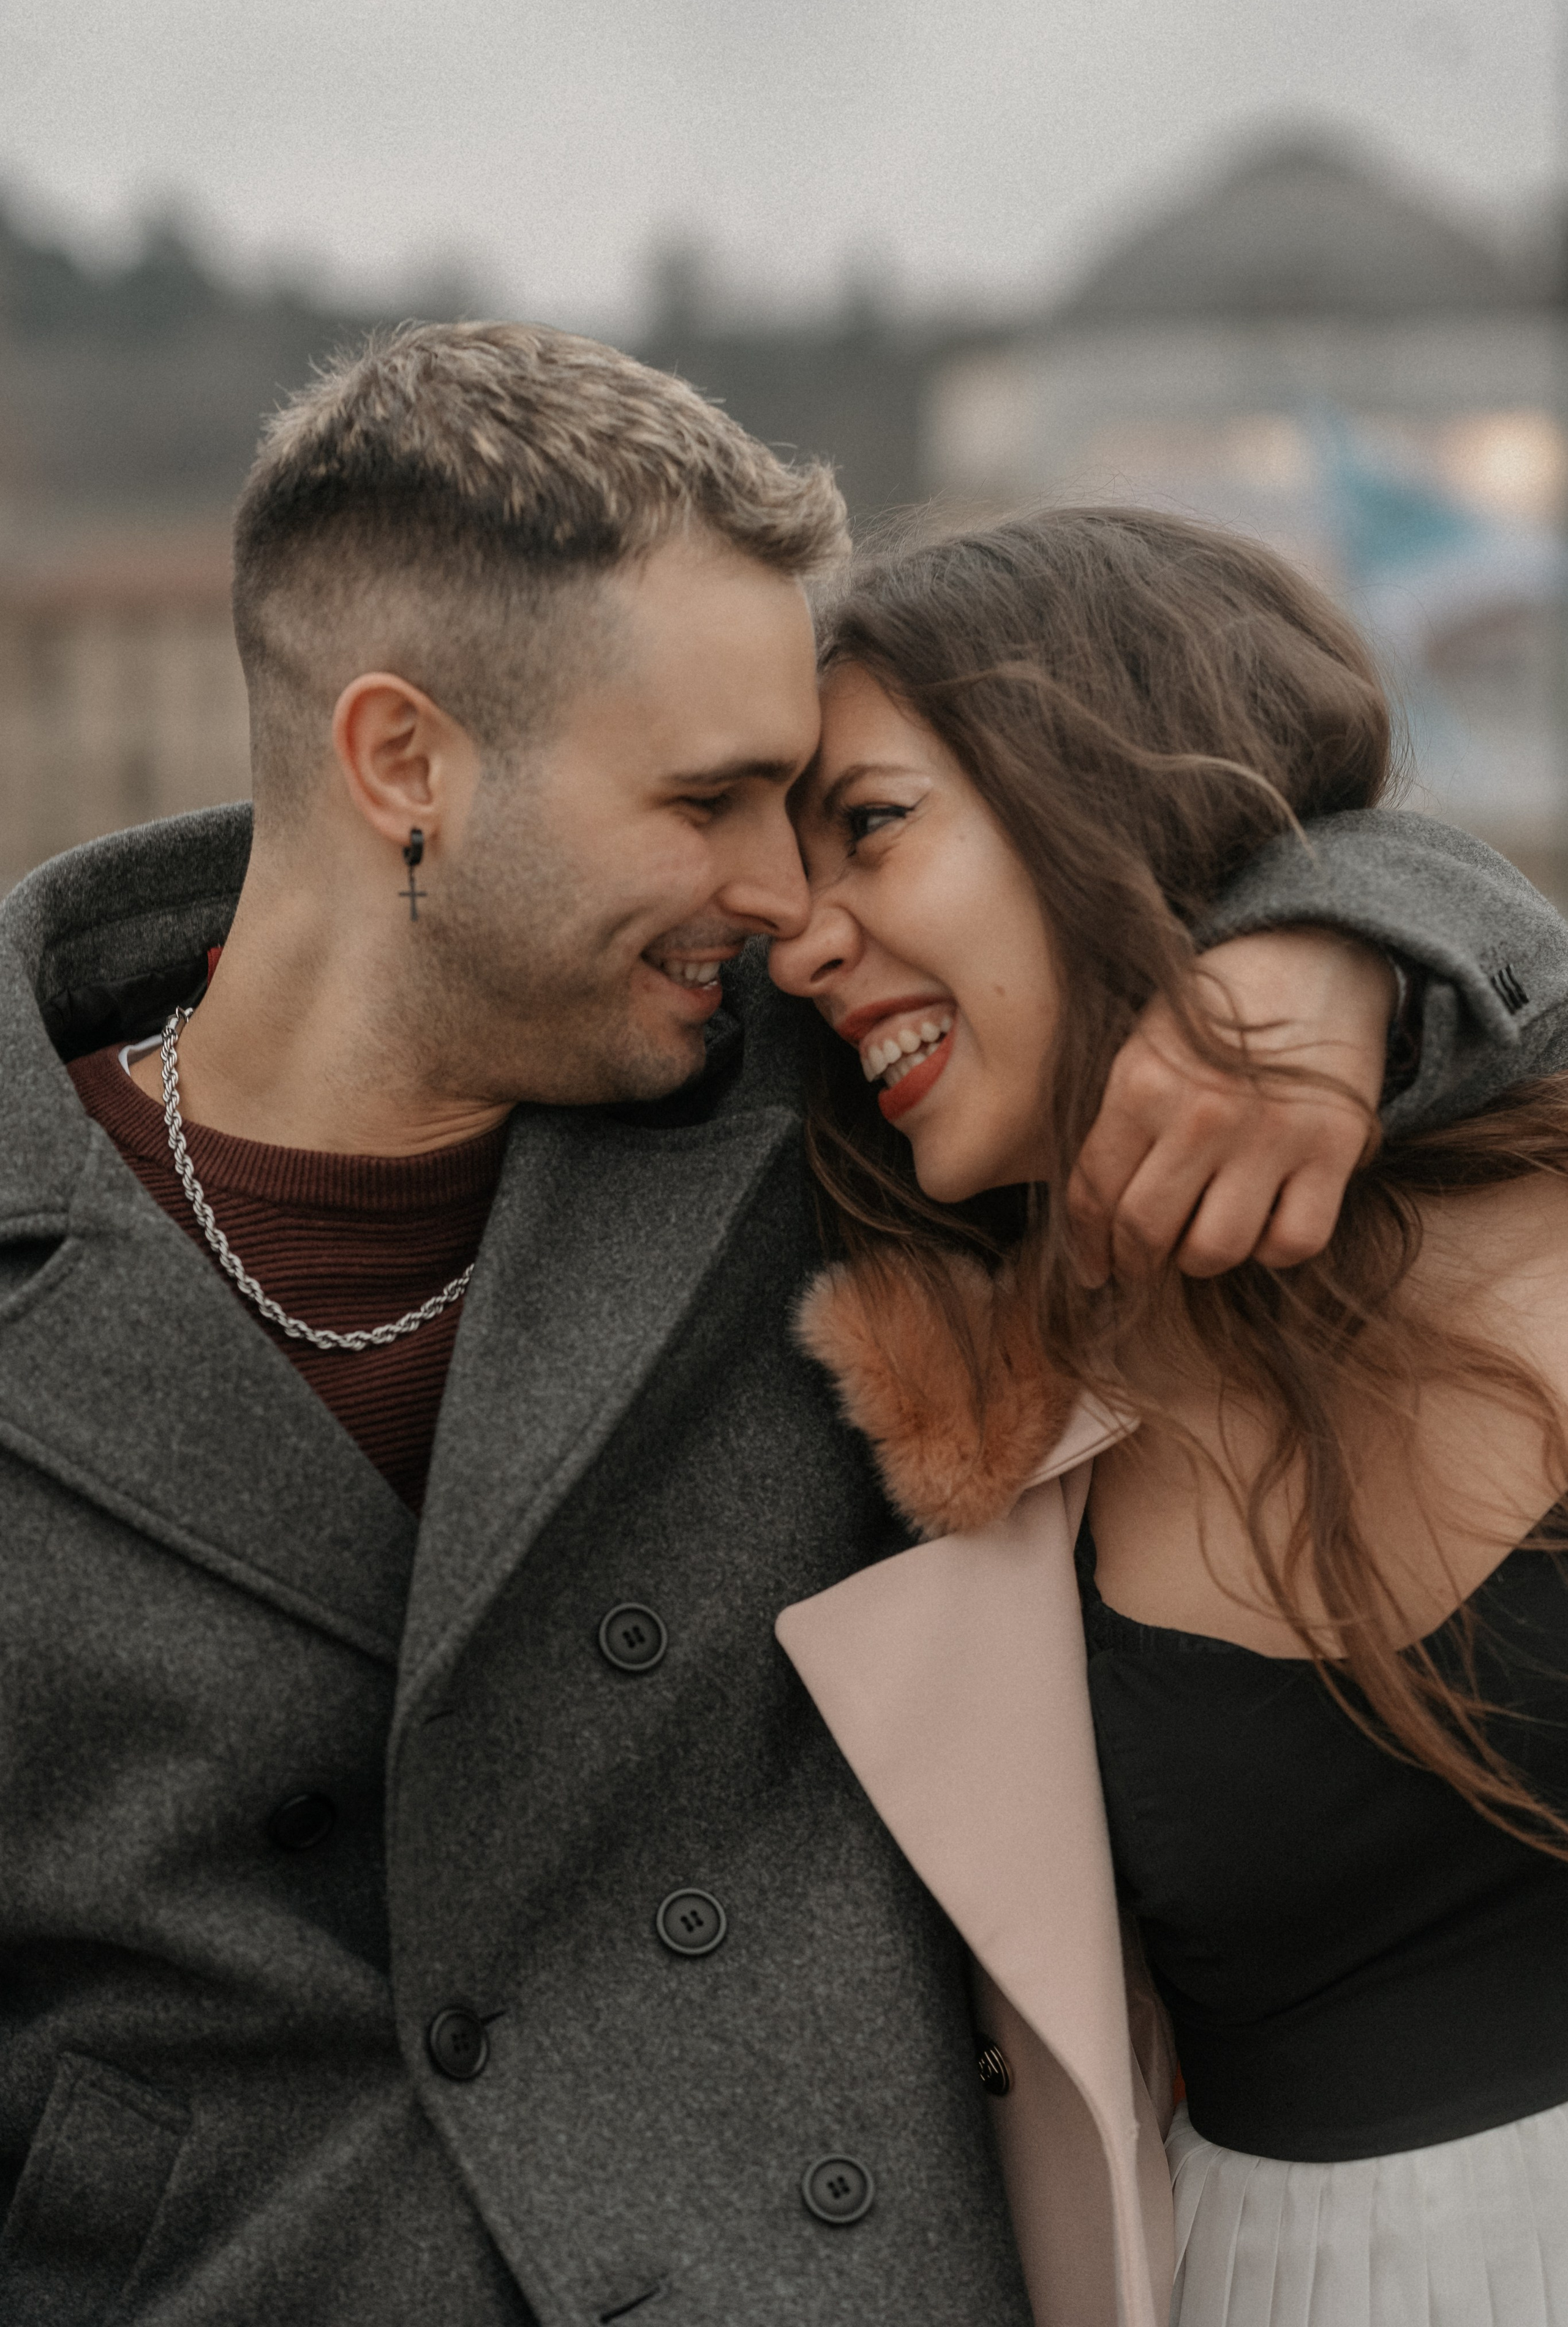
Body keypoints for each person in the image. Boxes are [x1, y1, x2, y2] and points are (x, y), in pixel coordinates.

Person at [0, 334, 1552, 2327]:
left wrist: (1342, 958)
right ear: (402, 762)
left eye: (815, 809)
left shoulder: (814, 1109)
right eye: (714, 797)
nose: (778, 895)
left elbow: (1203, 835)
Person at [770, 507, 1568, 2327]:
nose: (806, 949)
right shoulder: (934, 1415)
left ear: (1101, 776)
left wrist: (1357, 918)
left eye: (874, 826)